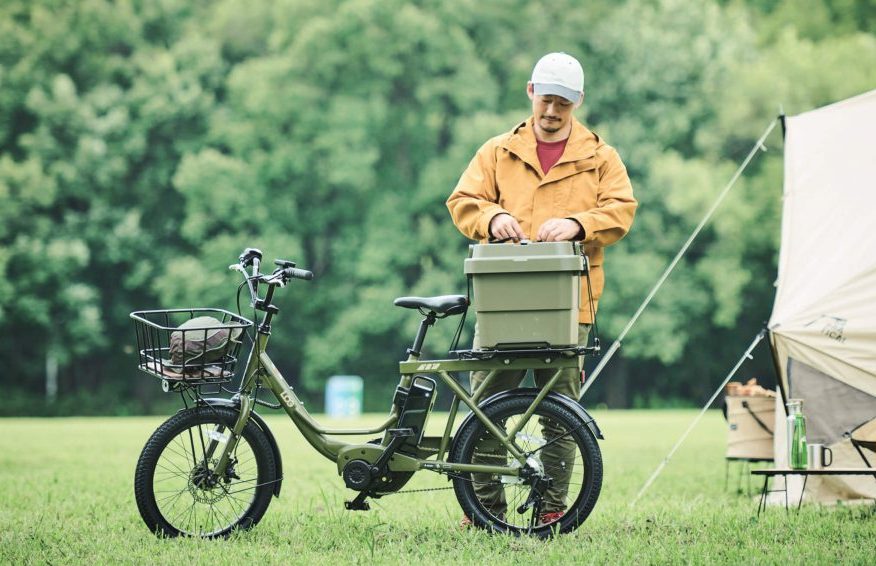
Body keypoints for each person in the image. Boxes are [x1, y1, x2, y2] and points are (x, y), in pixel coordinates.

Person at [446, 52, 637, 527]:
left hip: (568, 307)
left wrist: (578, 223)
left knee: (562, 416)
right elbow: (463, 201)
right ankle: (484, 508)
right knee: (486, 410)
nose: (552, 113)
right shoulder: (496, 151)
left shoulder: (600, 157)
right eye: (546, 101)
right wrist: (494, 217)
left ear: (578, 103)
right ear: (531, 92)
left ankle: (551, 507)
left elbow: (621, 211)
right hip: (503, 306)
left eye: (563, 105)